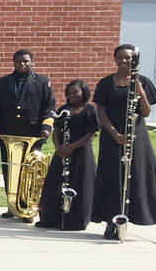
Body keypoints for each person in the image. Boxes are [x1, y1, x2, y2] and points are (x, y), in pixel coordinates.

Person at [92, 44, 156, 239]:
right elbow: (101, 112)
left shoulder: (143, 81)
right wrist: (114, 133)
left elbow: (146, 112)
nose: (125, 61)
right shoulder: (106, 83)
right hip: (112, 137)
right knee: (112, 177)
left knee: (136, 176)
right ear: (115, 59)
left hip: (137, 136)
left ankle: (131, 218)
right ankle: (111, 221)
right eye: (121, 57)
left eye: (129, 58)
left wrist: (140, 91)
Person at [0, 49, 55, 222]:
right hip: (9, 134)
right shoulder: (2, 83)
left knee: (30, 172)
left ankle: (26, 208)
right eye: (18, 61)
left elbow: (49, 108)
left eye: (25, 61)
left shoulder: (42, 82)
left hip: (32, 134)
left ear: (32, 62)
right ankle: (12, 205)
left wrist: (46, 128)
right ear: (14, 63)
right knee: (10, 170)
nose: (22, 64)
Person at [36, 80, 96, 231]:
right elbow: (56, 131)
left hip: (81, 153)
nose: (72, 95)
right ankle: (51, 218)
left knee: (79, 184)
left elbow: (90, 134)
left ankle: (75, 220)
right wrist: (59, 147)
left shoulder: (90, 110)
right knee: (55, 184)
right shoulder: (64, 109)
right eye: (69, 93)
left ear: (84, 92)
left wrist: (72, 147)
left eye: (76, 92)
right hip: (62, 152)